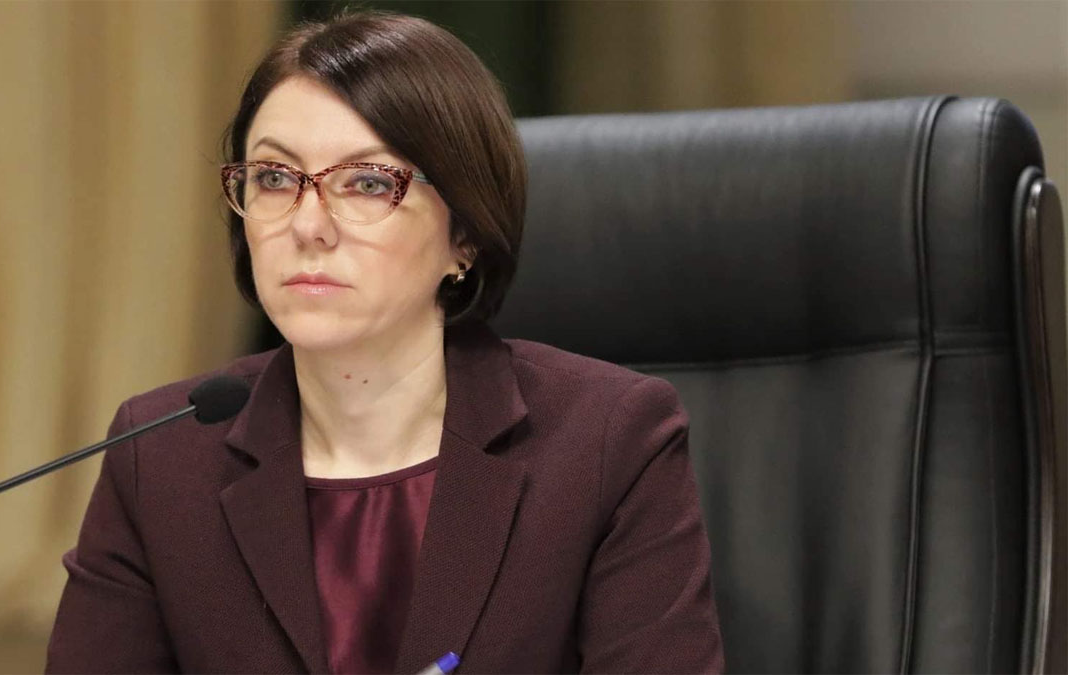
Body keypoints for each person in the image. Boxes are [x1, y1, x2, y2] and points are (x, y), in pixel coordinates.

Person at [46, 11, 723, 674]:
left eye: (368, 183)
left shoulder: (609, 442)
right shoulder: (161, 457)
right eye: (275, 178)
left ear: (464, 235)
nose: (308, 225)